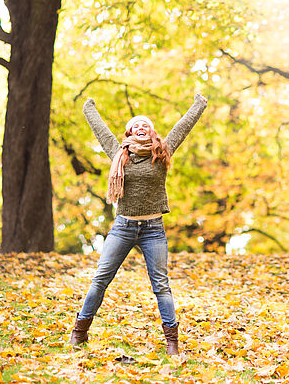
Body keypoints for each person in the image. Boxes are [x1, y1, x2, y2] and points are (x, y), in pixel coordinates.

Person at [69, 93, 207, 355]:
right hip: (123, 227)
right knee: (100, 279)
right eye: (136, 124)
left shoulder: (162, 150)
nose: (141, 127)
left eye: (146, 124)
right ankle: (80, 331)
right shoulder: (118, 152)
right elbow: (100, 129)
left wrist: (198, 105)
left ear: (152, 131)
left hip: (153, 229)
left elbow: (182, 127)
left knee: (161, 285)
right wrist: (89, 107)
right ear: (129, 131)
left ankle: (172, 342)